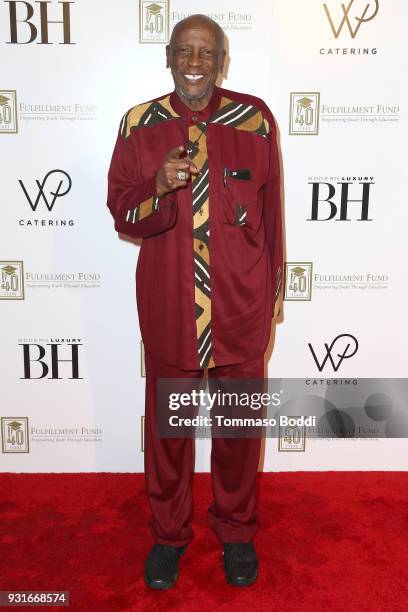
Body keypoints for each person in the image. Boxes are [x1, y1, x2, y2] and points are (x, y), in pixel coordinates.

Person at [107, 14, 283, 589]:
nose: (195, 64)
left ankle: (235, 531)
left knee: (237, 431)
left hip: (239, 306)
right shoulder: (139, 125)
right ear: (168, 56)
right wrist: (157, 188)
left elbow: (273, 220)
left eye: (207, 53)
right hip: (170, 308)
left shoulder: (256, 121)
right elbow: (122, 212)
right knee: (169, 434)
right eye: (184, 51)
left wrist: (271, 295)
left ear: (223, 60)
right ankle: (168, 535)